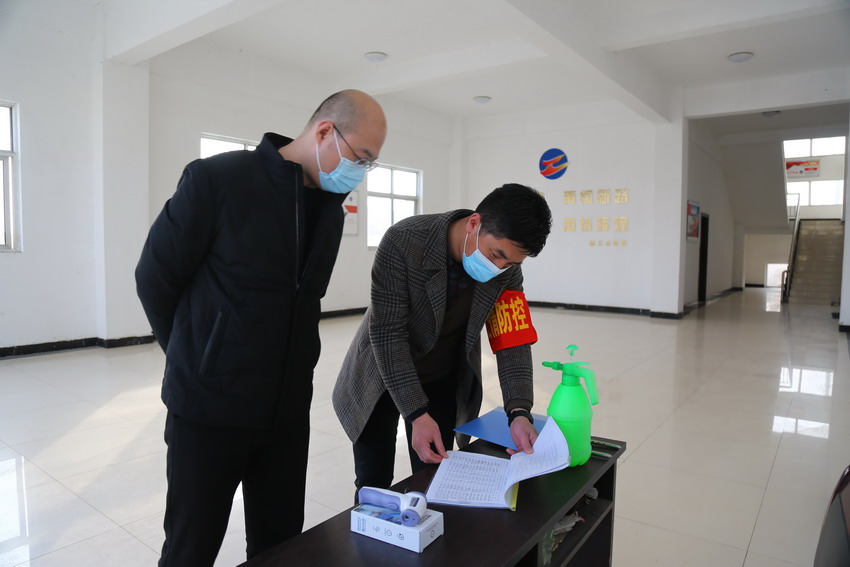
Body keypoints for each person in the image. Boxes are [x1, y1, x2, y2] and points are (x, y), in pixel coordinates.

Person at [135, 89, 387, 567]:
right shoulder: (217, 180)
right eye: (361, 157)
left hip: (285, 415)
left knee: (281, 547)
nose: (361, 171)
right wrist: (197, 358)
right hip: (208, 412)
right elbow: (154, 278)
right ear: (324, 131)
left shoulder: (330, 209)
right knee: (191, 549)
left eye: (370, 163)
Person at [333, 183, 553, 494]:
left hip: (441, 377)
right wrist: (415, 413)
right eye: (496, 255)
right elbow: (388, 333)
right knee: (373, 480)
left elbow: (512, 340)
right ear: (474, 223)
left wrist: (518, 412)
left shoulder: (506, 271)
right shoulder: (405, 240)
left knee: (434, 478)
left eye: (511, 264)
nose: (498, 268)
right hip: (381, 374)